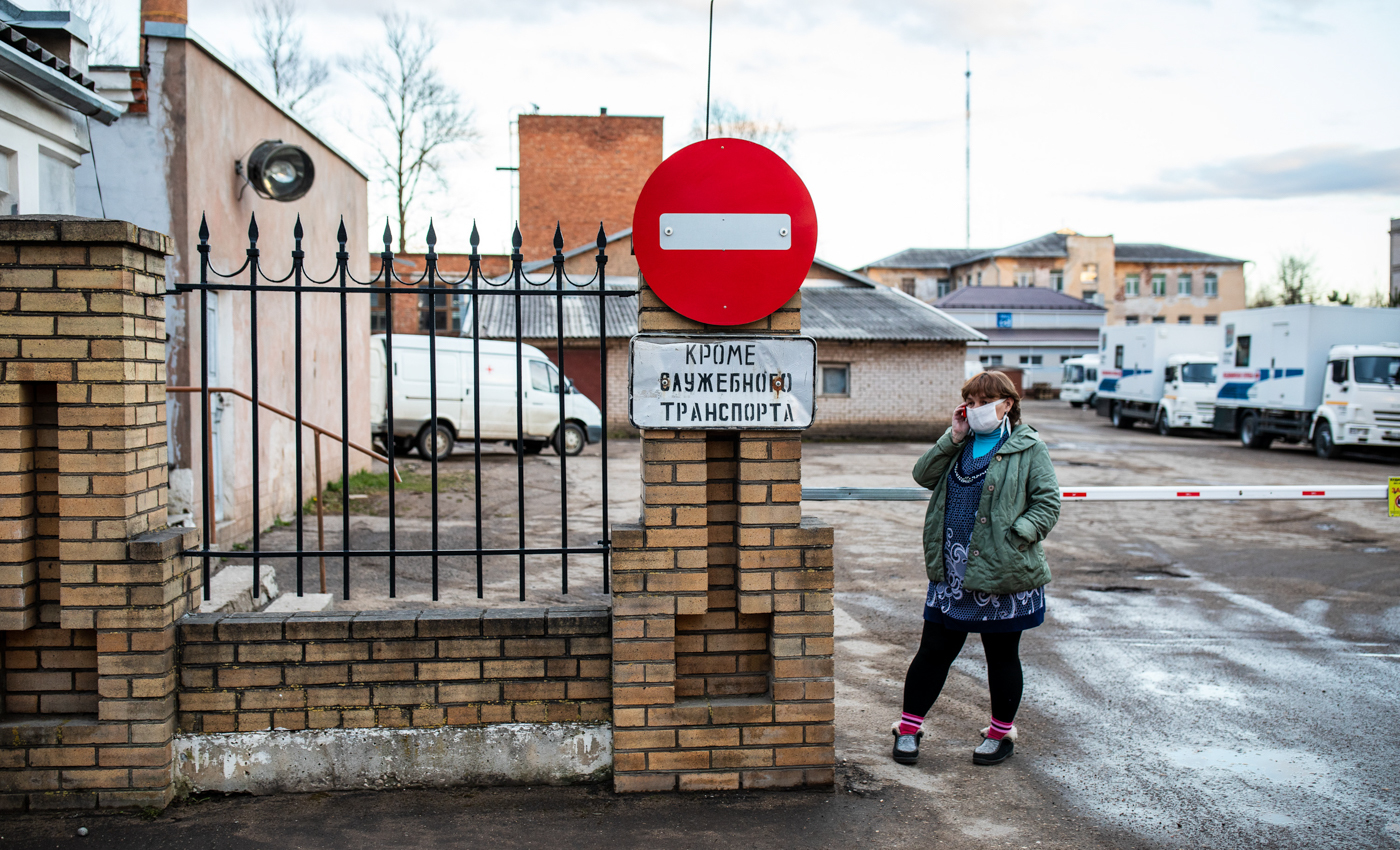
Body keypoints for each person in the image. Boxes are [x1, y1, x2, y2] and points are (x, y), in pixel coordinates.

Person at [892, 370, 1060, 767]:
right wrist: (953, 436)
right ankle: (908, 729)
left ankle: (1000, 735)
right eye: (971, 401)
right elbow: (923, 475)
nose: (977, 409)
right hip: (952, 574)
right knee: (932, 652)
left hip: (1004, 575)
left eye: (986, 401)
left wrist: (1016, 537)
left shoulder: (1029, 448)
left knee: (1002, 656)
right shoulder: (960, 444)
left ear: (1008, 404)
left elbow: (1048, 503)